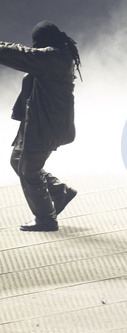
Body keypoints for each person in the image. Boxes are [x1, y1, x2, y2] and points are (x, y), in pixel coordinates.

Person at [0, 21, 81, 231]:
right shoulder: (55, 56)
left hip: (46, 126)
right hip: (37, 121)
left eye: (36, 42)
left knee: (28, 171)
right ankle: (59, 192)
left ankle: (46, 218)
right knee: (18, 160)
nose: (34, 45)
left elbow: (21, 54)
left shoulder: (52, 58)